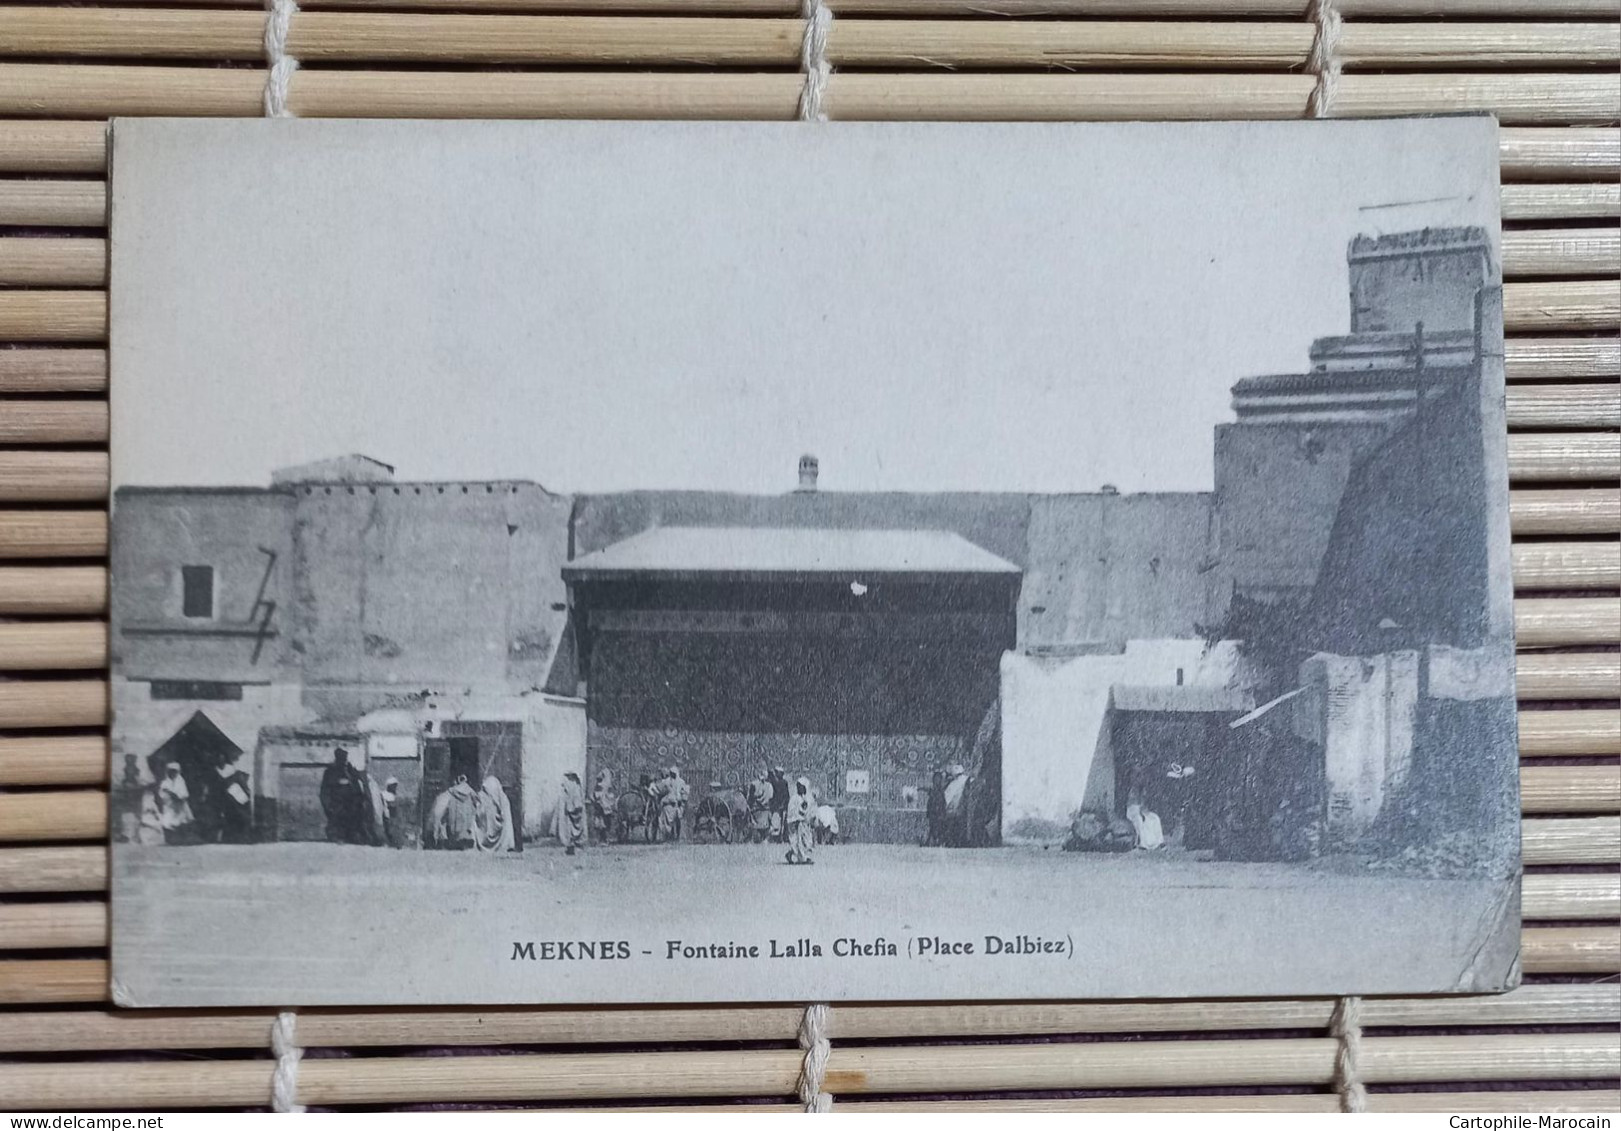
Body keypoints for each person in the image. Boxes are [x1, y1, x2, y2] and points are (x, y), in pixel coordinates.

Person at [319, 747, 370, 845]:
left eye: (345, 758)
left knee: (353, 825)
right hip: (337, 805)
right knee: (337, 824)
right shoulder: (331, 772)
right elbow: (325, 790)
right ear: (337, 758)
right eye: (342, 758)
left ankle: (352, 837)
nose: (344, 760)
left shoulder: (350, 771)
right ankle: (337, 837)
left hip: (351, 806)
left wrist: (360, 800)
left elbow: (357, 786)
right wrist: (329, 806)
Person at [428, 773, 479, 850]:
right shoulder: (471, 793)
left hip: (453, 828)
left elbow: (438, 813)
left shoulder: (449, 794)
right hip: (467, 826)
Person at [213, 760, 254, 844]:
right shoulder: (232, 776)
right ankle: (237, 837)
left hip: (236, 798)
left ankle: (243, 837)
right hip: (232, 798)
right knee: (235, 816)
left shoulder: (234, 776)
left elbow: (245, 789)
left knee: (240, 817)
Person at [156, 761, 195, 845]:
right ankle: (169, 840)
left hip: (180, 806)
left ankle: (182, 839)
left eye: (174, 771)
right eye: (170, 771)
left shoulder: (181, 781)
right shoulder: (165, 783)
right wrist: (171, 795)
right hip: (169, 806)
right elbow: (162, 795)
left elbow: (184, 794)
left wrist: (175, 795)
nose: (172, 773)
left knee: (182, 821)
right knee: (167, 822)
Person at [477, 774, 516, 853]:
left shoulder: (503, 800)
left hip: (498, 823)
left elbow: (505, 818)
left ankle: (506, 844)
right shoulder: (483, 797)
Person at [784, 777, 815, 865]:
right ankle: (802, 858)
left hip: (803, 822)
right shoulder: (794, 798)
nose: (800, 788)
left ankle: (797, 855)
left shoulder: (806, 798)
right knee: (796, 841)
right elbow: (792, 811)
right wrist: (796, 817)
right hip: (795, 822)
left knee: (805, 840)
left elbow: (809, 809)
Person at [657, 765, 688, 843]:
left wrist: (683, 802)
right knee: (667, 822)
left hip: (678, 805)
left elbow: (684, 792)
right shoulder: (666, 782)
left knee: (677, 821)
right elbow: (660, 790)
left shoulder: (681, 782)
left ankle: (676, 837)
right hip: (669, 805)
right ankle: (669, 837)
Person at [942, 764, 971, 848]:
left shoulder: (953, 784)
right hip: (964, 810)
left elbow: (946, 798)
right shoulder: (967, 780)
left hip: (954, 811)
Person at [559, 772, 586, 855]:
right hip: (569, 811)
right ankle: (570, 847)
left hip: (575, 809)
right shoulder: (567, 789)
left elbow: (578, 804)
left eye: (569, 777)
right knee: (568, 828)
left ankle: (577, 846)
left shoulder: (576, 787)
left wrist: (574, 806)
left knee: (577, 827)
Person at [746, 772, 774, 843]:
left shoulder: (753, 784)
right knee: (765, 827)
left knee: (755, 825)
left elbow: (750, 797)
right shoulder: (769, 786)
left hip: (756, 810)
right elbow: (771, 797)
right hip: (766, 809)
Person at [589, 768, 615, 845]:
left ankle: (603, 839)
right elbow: (597, 795)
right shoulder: (601, 786)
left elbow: (609, 796)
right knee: (602, 823)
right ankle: (601, 839)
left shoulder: (605, 785)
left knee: (604, 823)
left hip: (604, 806)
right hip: (602, 806)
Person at [923, 769, 947, 847]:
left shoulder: (940, 791)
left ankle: (935, 842)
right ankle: (932, 841)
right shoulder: (935, 791)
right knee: (933, 828)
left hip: (938, 814)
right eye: (935, 779)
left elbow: (941, 803)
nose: (936, 781)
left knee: (936, 829)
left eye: (938, 779)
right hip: (934, 814)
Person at [767, 766, 790, 843]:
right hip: (782, 806)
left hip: (778, 806)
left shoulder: (779, 783)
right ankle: (780, 838)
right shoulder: (783, 782)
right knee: (781, 823)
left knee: (777, 822)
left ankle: (777, 838)